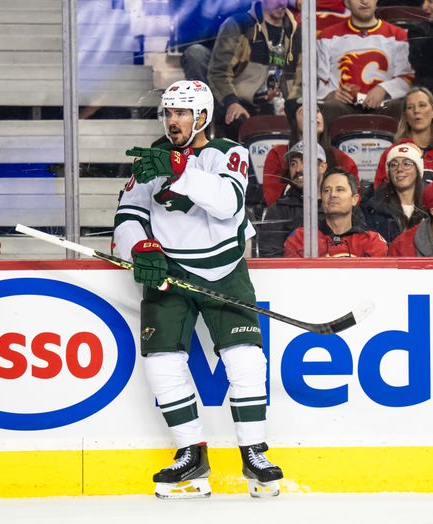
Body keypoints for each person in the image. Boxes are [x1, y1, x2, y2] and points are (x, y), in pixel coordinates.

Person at [114, 80, 283, 499]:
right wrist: (140, 247)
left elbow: (227, 202)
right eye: (168, 112)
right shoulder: (149, 160)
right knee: (161, 360)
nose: (173, 120)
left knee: (244, 360)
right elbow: (127, 214)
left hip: (225, 268)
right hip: (169, 272)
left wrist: (179, 169)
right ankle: (191, 454)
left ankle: (254, 452)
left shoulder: (229, 152)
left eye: (182, 112)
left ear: (202, 116)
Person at [207, 0, 302, 141]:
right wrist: (232, 102)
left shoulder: (297, 33)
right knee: (235, 121)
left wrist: (293, 106)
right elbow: (219, 72)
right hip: (244, 104)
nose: (281, 3)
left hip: (283, 107)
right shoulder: (239, 25)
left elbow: (304, 78)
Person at [317, 0, 413, 127]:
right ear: (346, 2)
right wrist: (331, 94)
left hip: (384, 105)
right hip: (342, 107)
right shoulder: (327, 35)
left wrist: (383, 89)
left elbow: (406, 77)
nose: (364, 1)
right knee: (328, 107)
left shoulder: (397, 35)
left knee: (402, 106)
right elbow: (319, 79)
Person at [262, 99, 358, 206]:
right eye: (305, 111)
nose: (314, 115)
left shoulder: (340, 157)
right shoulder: (278, 153)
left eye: (317, 111)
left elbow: (353, 197)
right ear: (294, 121)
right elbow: (271, 197)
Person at [373, 87, 433, 189]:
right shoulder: (391, 154)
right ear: (405, 117)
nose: (416, 111)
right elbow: (380, 195)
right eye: (410, 107)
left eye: (422, 105)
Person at [284, 169, 388, 257]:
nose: (333, 195)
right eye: (327, 190)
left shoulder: (371, 241)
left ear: (355, 199)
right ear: (321, 198)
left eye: (340, 189)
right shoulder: (302, 238)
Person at [258, 141, 328, 257]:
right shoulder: (279, 210)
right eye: (293, 164)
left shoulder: (337, 206)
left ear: (322, 167)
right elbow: (270, 258)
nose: (298, 169)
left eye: (304, 162)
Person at [363, 142, 428, 243]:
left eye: (407, 164)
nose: (399, 169)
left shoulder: (431, 207)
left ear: (418, 169)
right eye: (393, 165)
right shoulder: (375, 209)